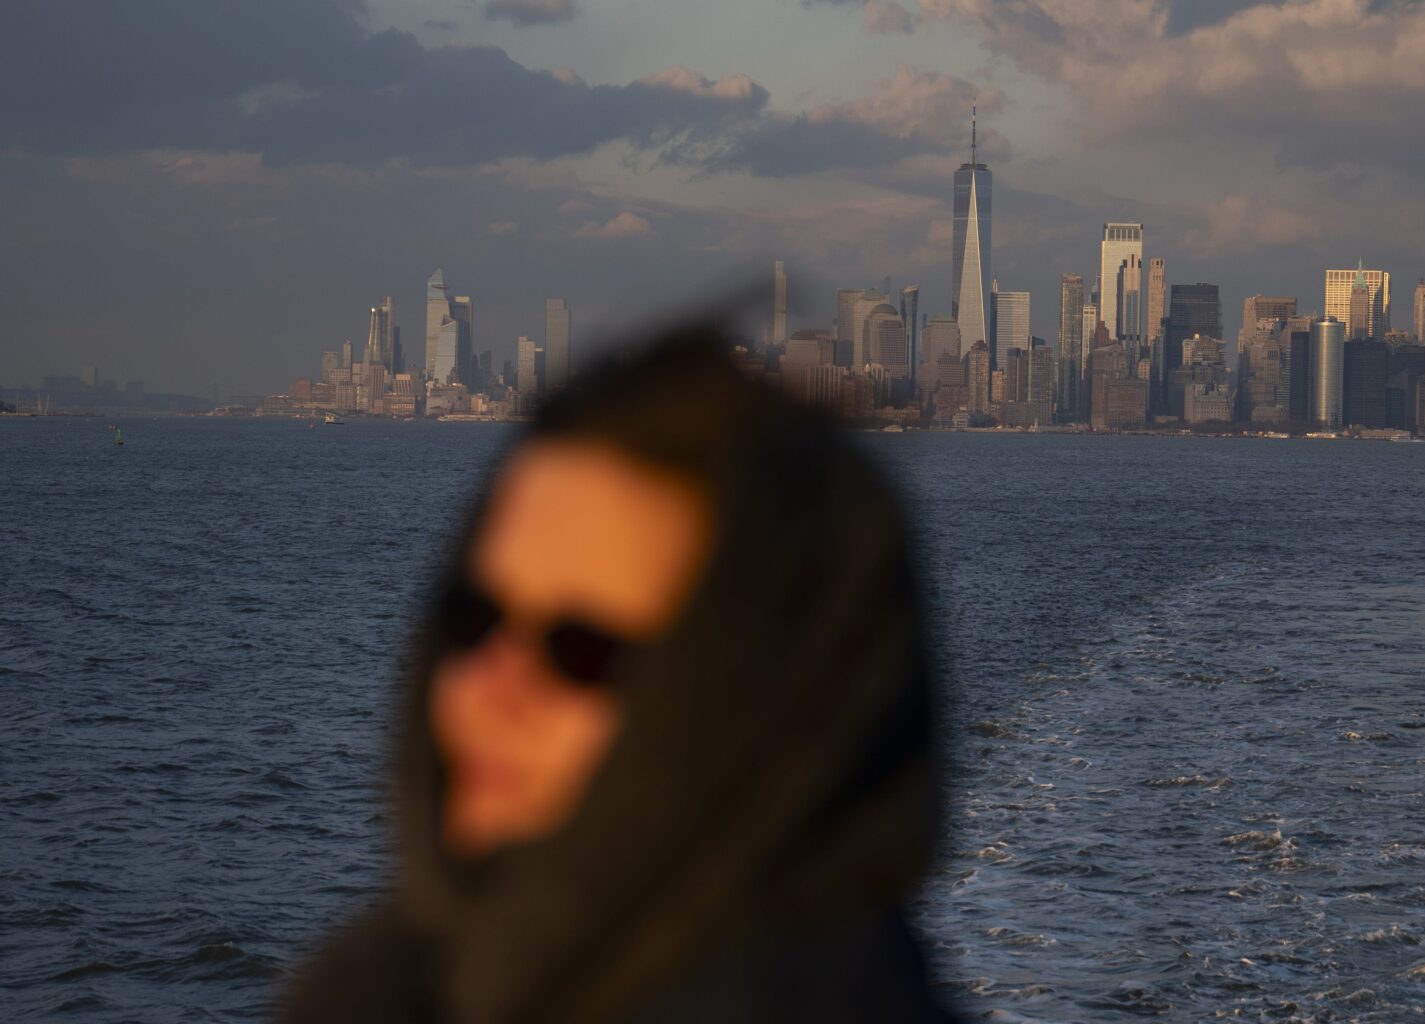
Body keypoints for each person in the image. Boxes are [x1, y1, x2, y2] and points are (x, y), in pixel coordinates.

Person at [283, 318, 953, 1023]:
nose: (487, 689)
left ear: (770, 710)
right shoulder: (393, 988)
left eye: (583, 652)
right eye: (473, 618)